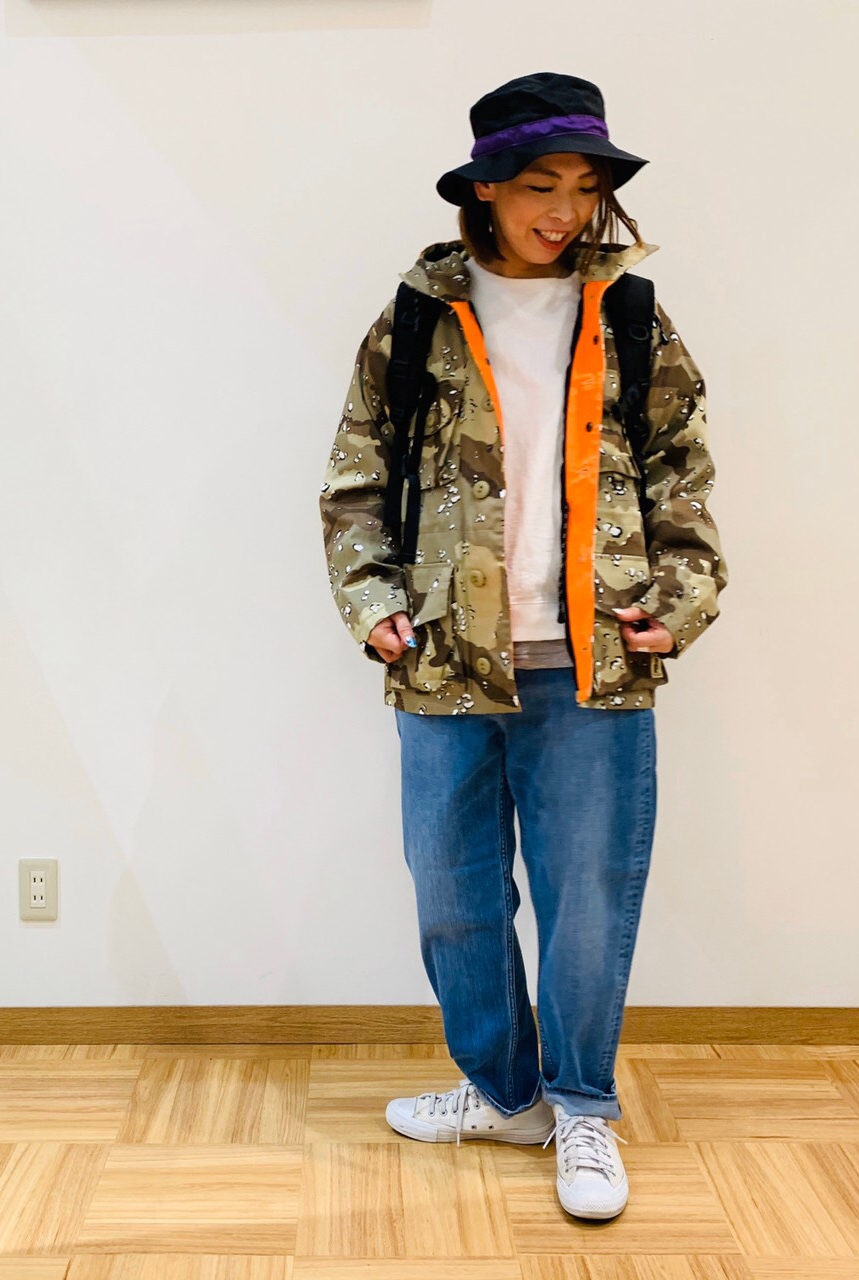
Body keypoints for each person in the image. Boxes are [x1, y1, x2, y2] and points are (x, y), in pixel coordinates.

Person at [318, 72, 728, 1220]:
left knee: (585, 896)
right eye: (542, 183)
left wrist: (682, 597)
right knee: (452, 896)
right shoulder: (414, 317)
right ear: (485, 188)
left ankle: (581, 1106)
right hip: (443, 657)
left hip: (595, 657)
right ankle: (505, 1094)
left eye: (584, 187)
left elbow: (682, 472)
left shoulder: (628, 313)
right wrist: (371, 602)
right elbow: (354, 480)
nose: (565, 209)